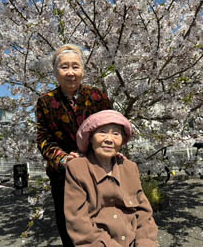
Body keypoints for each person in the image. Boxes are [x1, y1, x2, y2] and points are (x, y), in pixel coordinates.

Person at [36, 44, 112, 246]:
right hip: (63, 175)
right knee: (70, 227)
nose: (70, 72)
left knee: (102, 222)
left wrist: (95, 154)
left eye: (75, 66)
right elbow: (44, 139)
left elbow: (111, 130)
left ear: (83, 70)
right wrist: (64, 158)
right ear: (55, 72)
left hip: (97, 170)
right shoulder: (45, 102)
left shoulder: (98, 97)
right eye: (64, 67)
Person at [64, 110, 158, 247]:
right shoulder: (77, 168)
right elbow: (78, 223)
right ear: (90, 138)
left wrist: (146, 242)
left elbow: (144, 214)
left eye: (116, 134)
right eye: (102, 132)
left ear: (122, 140)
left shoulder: (129, 167)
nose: (109, 139)